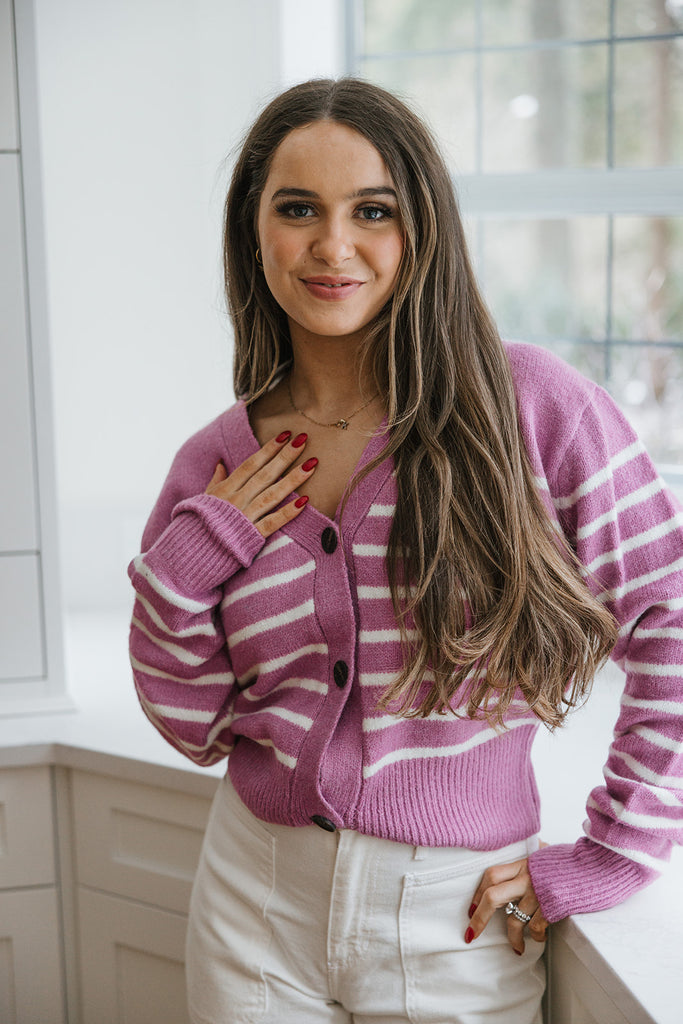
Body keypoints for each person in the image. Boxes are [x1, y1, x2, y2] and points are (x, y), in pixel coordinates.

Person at [128, 78, 683, 1024]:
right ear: (253, 232)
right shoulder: (218, 463)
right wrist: (189, 563)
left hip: (455, 915)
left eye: (371, 211)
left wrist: (612, 852)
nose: (331, 246)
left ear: (421, 228)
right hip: (253, 901)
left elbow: (668, 615)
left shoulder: (534, 411)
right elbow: (193, 726)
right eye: (296, 208)